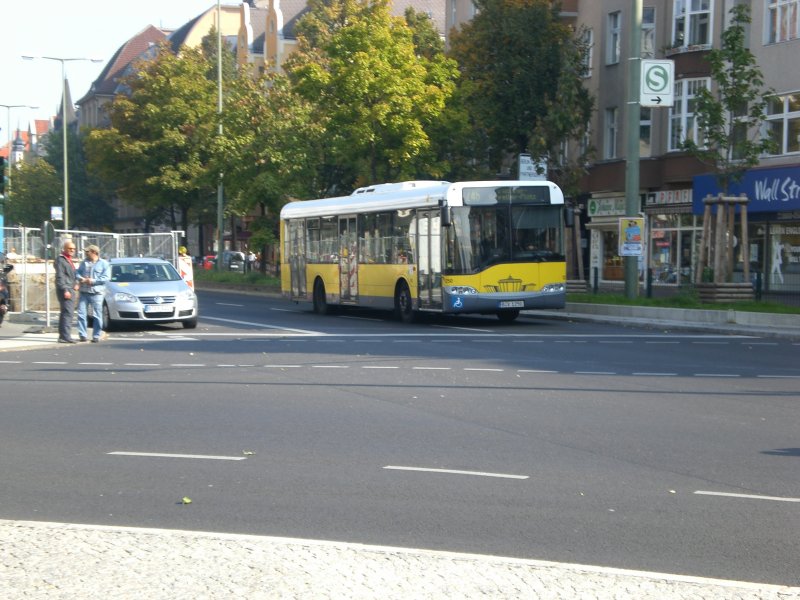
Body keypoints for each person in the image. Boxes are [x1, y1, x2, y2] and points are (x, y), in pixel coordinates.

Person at [76, 245, 111, 343]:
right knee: (81, 314)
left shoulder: (104, 264)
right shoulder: (84, 263)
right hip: (84, 291)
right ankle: (82, 335)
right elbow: (77, 272)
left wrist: (93, 280)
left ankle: (96, 335)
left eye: (88, 252)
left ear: (94, 252)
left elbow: (106, 278)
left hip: (97, 293)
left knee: (97, 315)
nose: (86, 253)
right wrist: (80, 278)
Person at [55, 240, 78, 343]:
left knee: (66, 313)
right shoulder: (61, 260)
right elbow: (60, 276)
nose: (72, 250)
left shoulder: (68, 259)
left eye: (73, 249)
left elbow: (71, 275)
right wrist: (65, 289)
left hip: (70, 288)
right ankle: (65, 336)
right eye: (70, 248)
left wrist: (76, 283)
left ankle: (63, 336)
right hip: (66, 289)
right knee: (68, 313)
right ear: (64, 249)